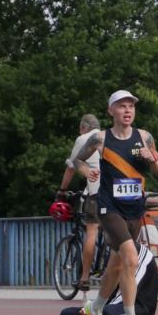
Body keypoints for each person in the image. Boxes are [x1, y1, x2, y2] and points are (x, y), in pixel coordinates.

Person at [72, 90, 158, 315]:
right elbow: (75, 161)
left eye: (131, 107)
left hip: (134, 208)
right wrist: (87, 172)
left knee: (117, 264)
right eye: (122, 106)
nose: (127, 111)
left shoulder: (145, 137)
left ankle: (97, 307)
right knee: (131, 258)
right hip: (108, 207)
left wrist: (153, 159)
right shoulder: (100, 139)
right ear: (111, 110)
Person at [59, 243, 158, 315]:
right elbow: (109, 290)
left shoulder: (138, 253)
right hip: (112, 306)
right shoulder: (114, 252)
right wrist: (93, 308)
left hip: (137, 309)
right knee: (67, 314)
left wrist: (99, 310)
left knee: (107, 313)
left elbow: (128, 294)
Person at [57, 114, 102, 292]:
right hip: (114, 191)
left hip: (96, 192)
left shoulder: (84, 139)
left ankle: (84, 279)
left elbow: (72, 167)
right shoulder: (109, 136)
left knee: (91, 230)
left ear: (84, 127)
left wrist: (62, 190)